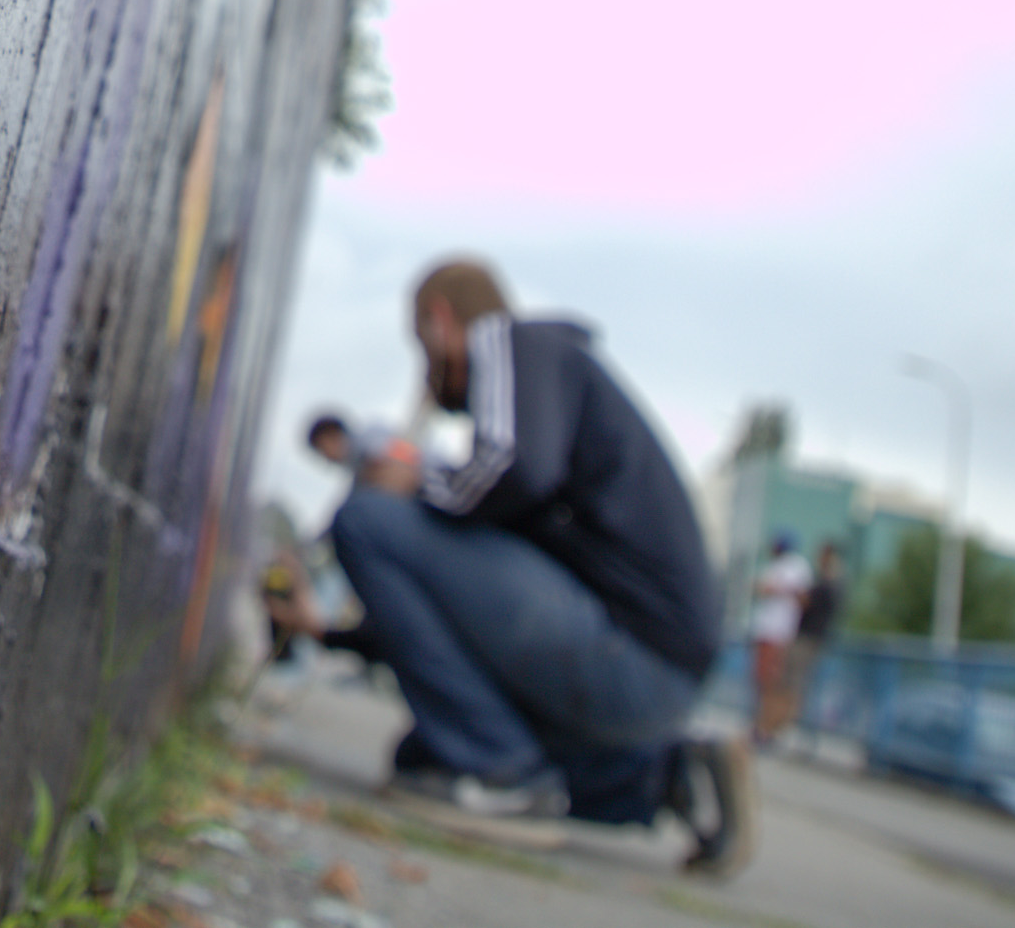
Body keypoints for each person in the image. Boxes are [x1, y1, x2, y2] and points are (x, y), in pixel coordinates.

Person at [307, 257, 752, 874]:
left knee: (368, 519)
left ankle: (504, 775)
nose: (425, 373)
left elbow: (516, 469)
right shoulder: (554, 395)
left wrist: (417, 480)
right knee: (426, 757)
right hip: (655, 680)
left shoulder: (510, 341)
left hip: (627, 650)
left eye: (422, 345)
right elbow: (443, 627)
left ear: (440, 322)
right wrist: (330, 635)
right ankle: (666, 775)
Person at [748, 533, 814, 744]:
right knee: (762, 680)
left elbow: (803, 598)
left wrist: (778, 590)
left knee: (773, 681)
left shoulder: (797, 566)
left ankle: (768, 728)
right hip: (766, 630)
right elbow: (759, 588)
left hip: (779, 633)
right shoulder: (774, 566)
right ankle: (762, 725)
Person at [782, 540, 845, 738]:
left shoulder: (829, 581)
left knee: (794, 683)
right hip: (812, 637)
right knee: (796, 682)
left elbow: (805, 601)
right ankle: (786, 724)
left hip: (809, 637)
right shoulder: (832, 581)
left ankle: (786, 725)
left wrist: (793, 592)